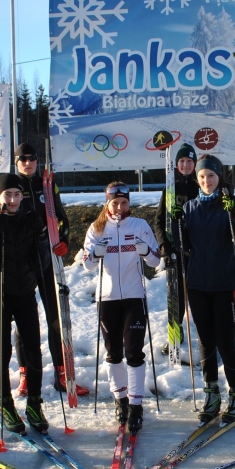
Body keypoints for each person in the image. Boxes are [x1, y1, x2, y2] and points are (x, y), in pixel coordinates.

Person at [0, 173, 50, 435]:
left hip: (26, 292)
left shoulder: (29, 220)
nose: (14, 199)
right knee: (3, 350)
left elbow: (44, 263)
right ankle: (6, 403)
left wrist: (40, 233)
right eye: (8, 195)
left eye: (18, 194)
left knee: (33, 349)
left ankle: (35, 404)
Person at [82, 182, 161, 433]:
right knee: (113, 352)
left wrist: (146, 250)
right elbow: (87, 265)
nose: (119, 207)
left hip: (134, 297)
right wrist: (95, 254)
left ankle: (136, 405)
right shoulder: (97, 228)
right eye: (115, 202)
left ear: (129, 203)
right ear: (107, 203)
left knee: (134, 352)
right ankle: (121, 400)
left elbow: (156, 260)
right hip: (108, 299)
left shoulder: (139, 225)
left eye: (124, 202)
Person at [11, 143, 88, 397]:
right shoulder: (12, 185)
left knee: (55, 318)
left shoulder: (47, 184)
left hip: (45, 258)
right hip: (22, 262)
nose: (28, 163)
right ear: (16, 161)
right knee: (24, 321)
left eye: (32, 159)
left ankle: (62, 373)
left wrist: (64, 239)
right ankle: (25, 374)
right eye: (23, 159)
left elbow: (62, 217)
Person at [181, 154, 235, 424]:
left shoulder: (232, 204)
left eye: (210, 176)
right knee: (205, 342)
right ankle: (212, 393)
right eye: (201, 177)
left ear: (219, 177)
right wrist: (174, 222)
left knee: (225, 341)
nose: (206, 181)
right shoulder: (189, 207)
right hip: (198, 283)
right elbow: (182, 244)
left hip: (224, 282)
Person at [153, 142, 200, 355]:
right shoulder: (170, 187)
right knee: (176, 298)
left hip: (199, 250)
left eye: (189, 161)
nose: (186, 165)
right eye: (181, 161)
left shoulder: (202, 185)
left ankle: (205, 335)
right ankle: (174, 335)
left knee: (200, 296)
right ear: (176, 164)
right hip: (176, 251)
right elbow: (159, 220)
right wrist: (164, 244)